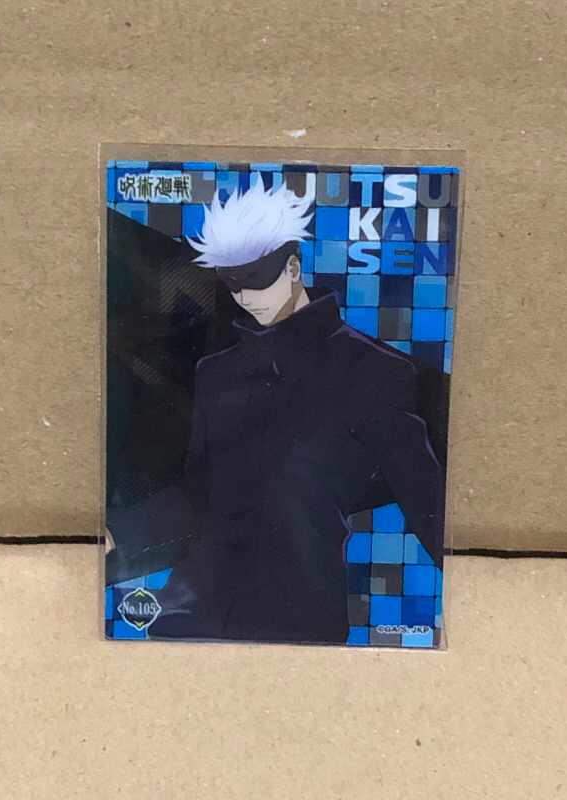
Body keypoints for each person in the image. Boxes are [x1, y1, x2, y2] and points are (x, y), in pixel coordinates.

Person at [107, 179, 444, 644]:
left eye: (256, 278)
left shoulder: (371, 371)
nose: (245, 296)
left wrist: (476, 595)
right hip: (194, 607)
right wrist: (118, 532)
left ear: (293, 268)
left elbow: (423, 494)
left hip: (299, 614)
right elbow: (199, 492)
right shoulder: (217, 372)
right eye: (232, 282)